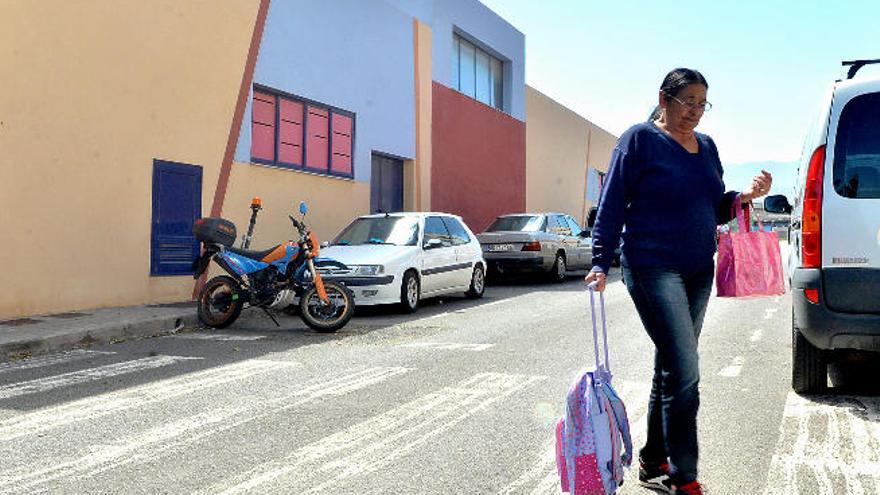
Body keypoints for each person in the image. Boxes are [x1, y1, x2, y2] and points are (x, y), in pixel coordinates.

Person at [584, 68, 772, 495]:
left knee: (669, 367)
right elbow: (612, 200)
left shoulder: (707, 148)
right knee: (685, 371)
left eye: (703, 103)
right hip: (651, 266)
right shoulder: (639, 140)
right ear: (664, 99)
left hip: (697, 269)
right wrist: (600, 260)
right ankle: (683, 475)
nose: (696, 112)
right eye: (688, 101)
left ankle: (653, 461)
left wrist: (744, 198)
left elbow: (713, 206)